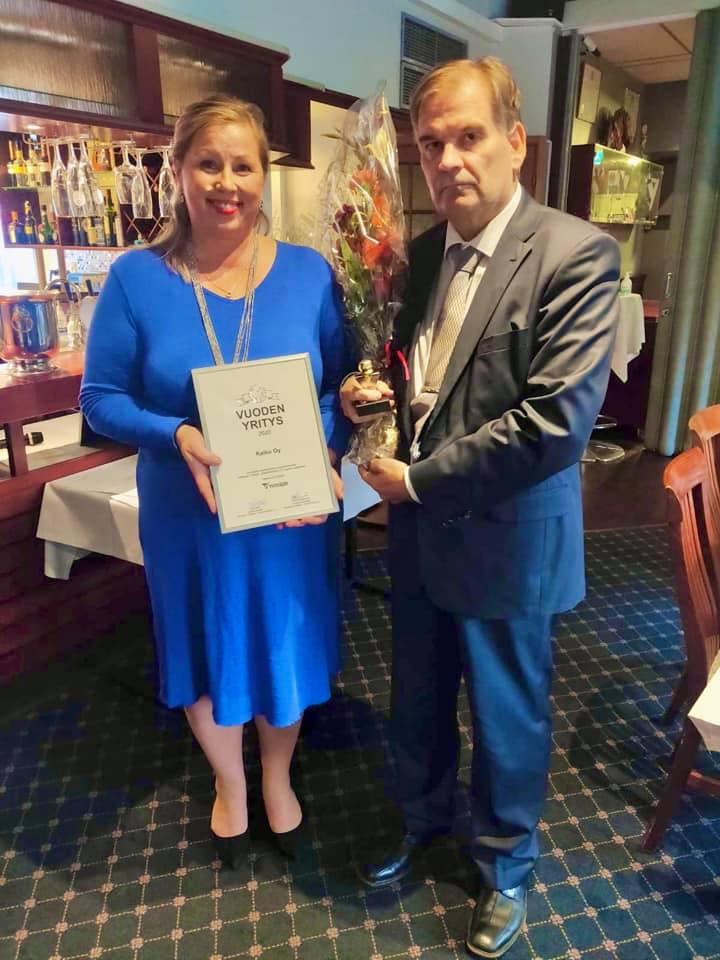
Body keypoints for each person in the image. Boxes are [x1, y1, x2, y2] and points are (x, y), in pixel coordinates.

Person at [340, 58, 619, 958]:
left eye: (469, 136)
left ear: (515, 141)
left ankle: (506, 869)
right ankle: (422, 819)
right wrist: (365, 397)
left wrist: (418, 481)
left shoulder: (576, 254)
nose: (449, 159)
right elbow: (412, 379)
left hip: (506, 538)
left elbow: (553, 426)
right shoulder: (419, 258)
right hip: (421, 540)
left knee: (507, 718)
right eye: (431, 144)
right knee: (416, 697)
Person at [81, 95, 349, 870]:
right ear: (177, 170)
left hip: (288, 509)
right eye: (208, 163)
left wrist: (326, 454)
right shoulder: (135, 278)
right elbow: (100, 399)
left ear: (264, 174)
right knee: (205, 641)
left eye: (243, 165)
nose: (227, 183)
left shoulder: (310, 274)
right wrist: (177, 434)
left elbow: (340, 387)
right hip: (188, 508)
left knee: (283, 641)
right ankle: (229, 783)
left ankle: (276, 777)